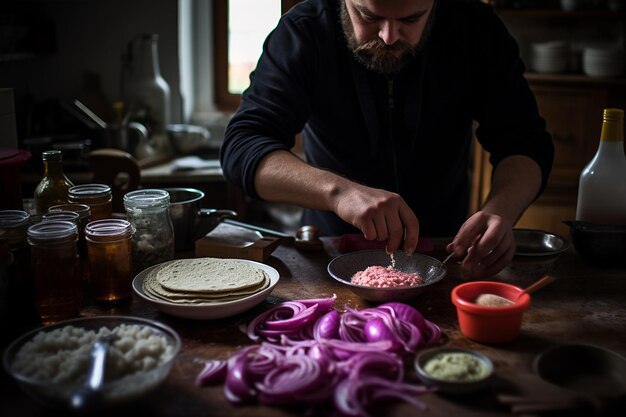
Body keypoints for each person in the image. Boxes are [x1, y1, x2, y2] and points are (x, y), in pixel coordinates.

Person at [220, 0, 554, 278]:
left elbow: (524, 141)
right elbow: (243, 146)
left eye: (411, 19)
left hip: (446, 254)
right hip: (329, 253)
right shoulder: (304, 32)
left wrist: (501, 212)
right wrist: (340, 193)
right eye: (368, 15)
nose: (389, 36)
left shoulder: (475, 29)